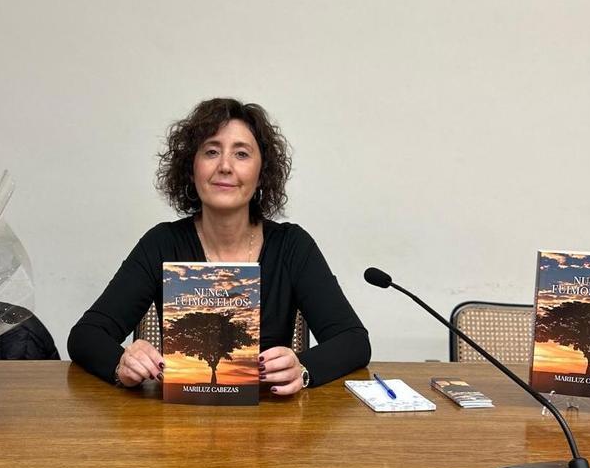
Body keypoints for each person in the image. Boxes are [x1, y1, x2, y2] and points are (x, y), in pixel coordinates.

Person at [68, 98, 370, 395]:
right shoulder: (161, 243)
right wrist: (121, 363)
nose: (225, 166)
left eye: (241, 154)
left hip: (271, 420)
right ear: (191, 168)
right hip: (177, 420)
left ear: (261, 174)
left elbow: (354, 341)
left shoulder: (292, 246)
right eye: (211, 151)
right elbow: (85, 335)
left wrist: (303, 369)